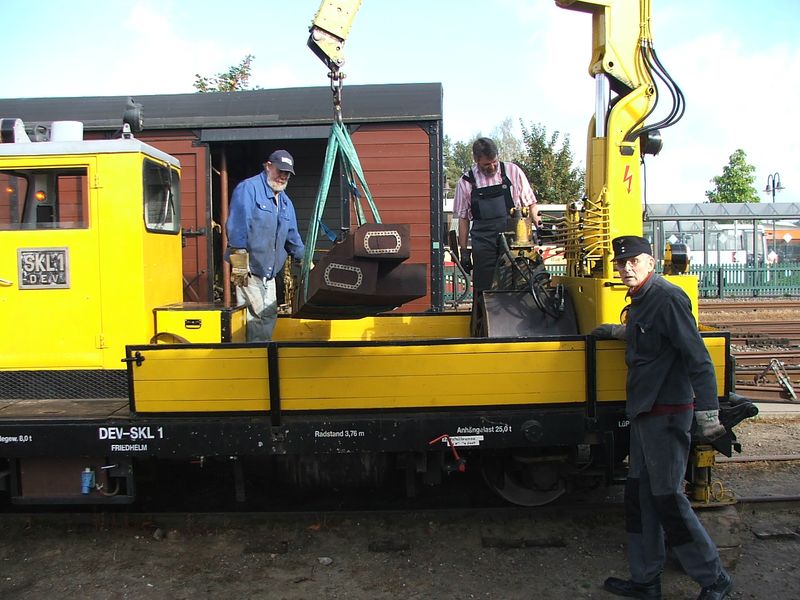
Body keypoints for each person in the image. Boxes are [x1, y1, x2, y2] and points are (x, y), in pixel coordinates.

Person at [591, 235, 732, 600]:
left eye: (634, 261)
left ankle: (714, 579)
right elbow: (650, 340)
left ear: (651, 262)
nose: (626, 268)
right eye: (621, 263)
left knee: (667, 497)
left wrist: (707, 414)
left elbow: (697, 358)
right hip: (642, 413)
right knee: (639, 496)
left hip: (667, 415)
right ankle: (646, 580)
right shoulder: (640, 300)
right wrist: (617, 332)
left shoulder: (667, 298)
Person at [226, 149, 305, 341]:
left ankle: (261, 354)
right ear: (268, 166)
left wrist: (304, 259)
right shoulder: (248, 189)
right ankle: (257, 359)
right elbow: (237, 224)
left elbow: (292, 236)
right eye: (280, 171)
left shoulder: (285, 202)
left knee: (268, 313)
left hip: (269, 272)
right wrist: (239, 263)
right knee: (256, 315)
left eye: (287, 173)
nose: (283, 176)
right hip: (247, 266)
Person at [453, 137, 537, 296]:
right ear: (476, 160)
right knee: (485, 288)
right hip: (484, 244)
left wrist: (538, 226)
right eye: (486, 164)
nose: (492, 167)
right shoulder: (465, 182)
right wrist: (463, 251)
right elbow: (463, 219)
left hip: (515, 240)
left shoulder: (513, 171)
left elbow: (530, 203)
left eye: (495, 162)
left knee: (521, 284)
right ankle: (484, 318)